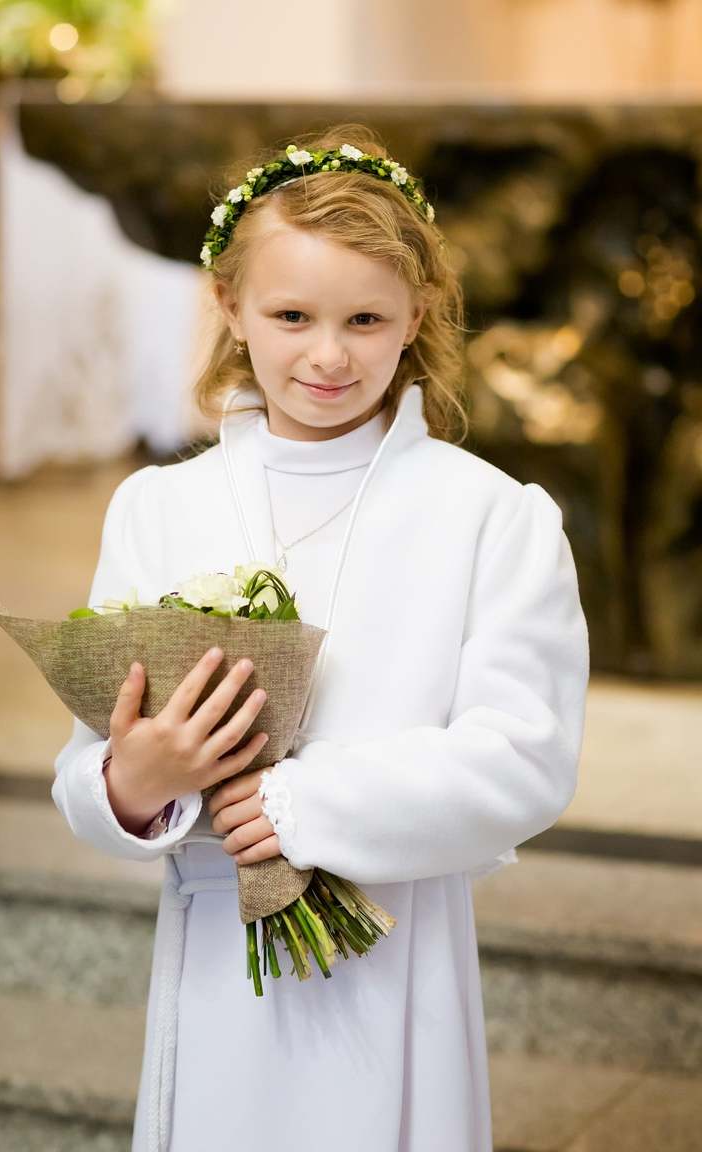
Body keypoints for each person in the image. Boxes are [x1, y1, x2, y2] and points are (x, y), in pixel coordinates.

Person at [52, 122, 590, 1152]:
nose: (329, 354)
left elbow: (524, 758)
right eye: (292, 315)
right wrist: (134, 783)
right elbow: (85, 768)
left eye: (366, 319)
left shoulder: (490, 516)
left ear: (416, 315)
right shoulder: (159, 508)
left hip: (397, 954)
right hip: (217, 960)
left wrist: (299, 804)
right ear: (229, 306)